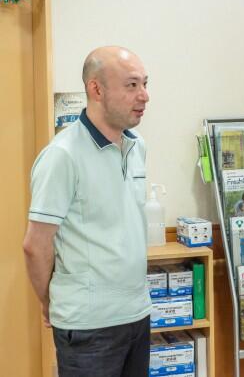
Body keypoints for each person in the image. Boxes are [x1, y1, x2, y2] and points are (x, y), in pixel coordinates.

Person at [23, 46, 152, 377]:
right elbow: (35, 245)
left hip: (137, 314)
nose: (144, 96)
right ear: (96, 89)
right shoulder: (62, 156)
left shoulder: (138, 147)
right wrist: (51, 301)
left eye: (145, 84)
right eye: (132, 85)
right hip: (88, 327)